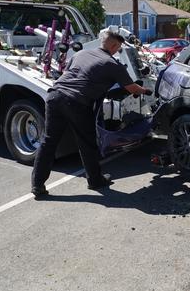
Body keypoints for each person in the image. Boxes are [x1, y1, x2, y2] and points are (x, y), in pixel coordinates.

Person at [31, 30, 151, 198]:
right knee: (86, 142)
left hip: (54, 96)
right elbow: (131, 88)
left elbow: (70, 74)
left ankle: (37, 185)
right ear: (114, 45)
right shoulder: (112, 63)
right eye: (118, 48)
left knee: (48, 142)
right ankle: (95, 180)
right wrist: (146, 90)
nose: (118, 51)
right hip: (76, 102)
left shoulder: (81, 54)